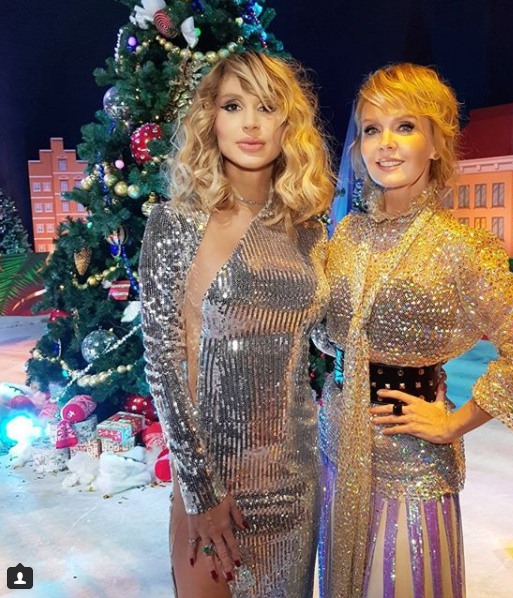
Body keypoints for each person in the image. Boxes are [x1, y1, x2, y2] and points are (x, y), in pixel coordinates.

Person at [317, 63, 513, 598]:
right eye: (372, 129)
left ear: (436, 144)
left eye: (405, 126)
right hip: (336, 448)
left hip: (409, 460)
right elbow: (323, 333)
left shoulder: (460, 246)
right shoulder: (346, 234)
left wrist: (455, 423)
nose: (386, 143)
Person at [139, 51, 333, 597]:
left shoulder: (309, 233)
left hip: (295, 478)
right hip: (213, 483)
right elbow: (163, 365)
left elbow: (326, 338)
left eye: (266, 107)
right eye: (233, 106)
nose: (250, 123)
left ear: (288, 124)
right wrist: (201, 492)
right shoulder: (175, 223)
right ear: (212, 119)